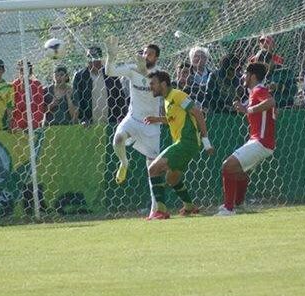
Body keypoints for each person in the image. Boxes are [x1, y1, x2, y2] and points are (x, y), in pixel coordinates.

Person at [104, 36, 164, 216]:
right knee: (117, 139)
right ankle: (124, 162)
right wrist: (111, 55)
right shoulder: (132, 69)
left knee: (152, 168)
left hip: (151, 124)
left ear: (156, 58)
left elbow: (157, 87)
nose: (146, 55)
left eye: (151, 54)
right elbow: (110, 71)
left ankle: (156, 210)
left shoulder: (160, 74)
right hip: (133, 118)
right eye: (145, 52)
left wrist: (144, 71)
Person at [144, 70, 213, 220]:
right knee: (172, 179)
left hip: (186, 142)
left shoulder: (177, 95)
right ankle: (189, 206)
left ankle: (160, 211)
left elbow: (198, 113)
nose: (151, 87)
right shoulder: (168, 99)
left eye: (153, 84)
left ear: (163, 84)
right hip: (185, 143)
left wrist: (206, 141)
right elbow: (174, 119)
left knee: (154, 169)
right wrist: (158, 119)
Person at [217, 63, 277, 216]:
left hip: (261, 141)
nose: (242, 76)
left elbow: (271, 102)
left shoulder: (259, 90)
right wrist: (244, 109)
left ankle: (228, 209)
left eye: (245, 73)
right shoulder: (253, 92)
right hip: (260, 141)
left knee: (227, 166)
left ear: (253, 76)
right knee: (238, 171)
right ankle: (238, 204)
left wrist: (248, 109)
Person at [72, 46, 127, 125]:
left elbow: (120, 97)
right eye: (89, 57)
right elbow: (77, 100)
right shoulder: (80, 76)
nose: (91, 60)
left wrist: (121, 117)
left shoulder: (110, 74)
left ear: (100, 58)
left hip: (111, 122)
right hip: (89, 124)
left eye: (94, 57)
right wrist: (83, 119)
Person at [11, 59, 45, 130]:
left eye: (26, 70)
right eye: (21, 70)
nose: (24, 72)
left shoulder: (37, 85)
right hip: (18, 125)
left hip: (34, 124)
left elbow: (40, 106)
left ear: (30, 71)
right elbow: (12, 106)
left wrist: (34, 122)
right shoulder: (14, 85)